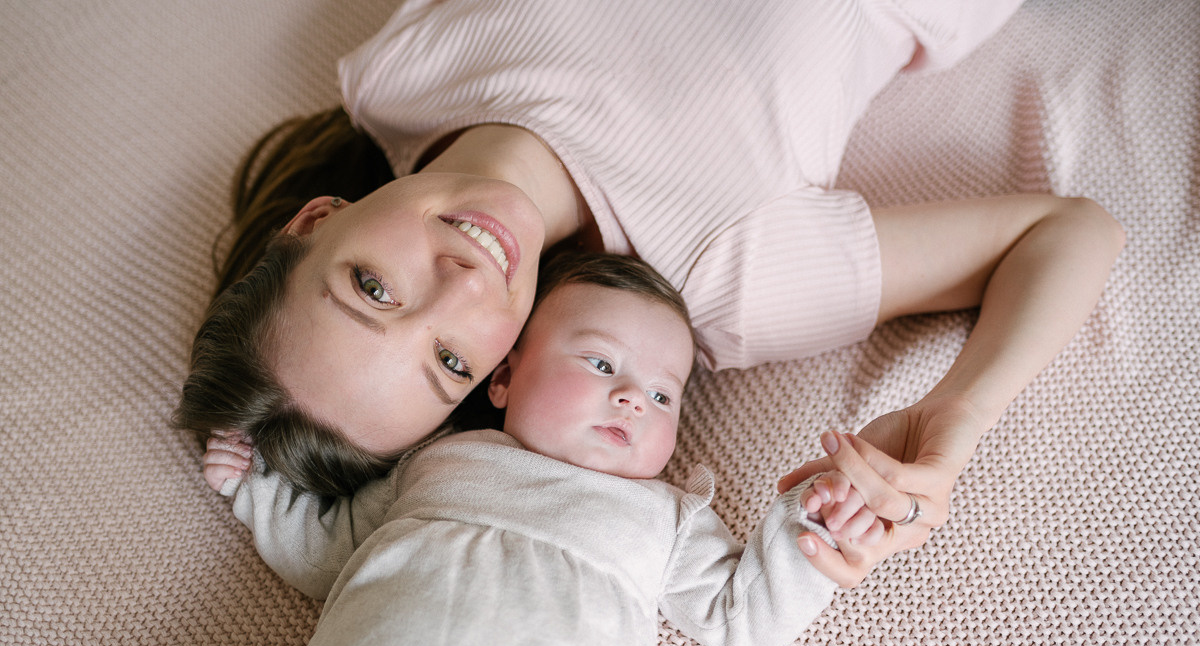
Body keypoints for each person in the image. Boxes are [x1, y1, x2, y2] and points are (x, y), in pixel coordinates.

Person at [174, 0, 1126, 587]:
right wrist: (957, 415)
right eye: (450, 360)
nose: (462, 284)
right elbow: (1071, 233)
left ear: (313, 220)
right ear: (499, 371)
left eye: (372, 286)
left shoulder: (399, 74)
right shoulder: (716, 273)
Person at [157, 252, 883, 646]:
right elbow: (328, 553)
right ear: (502, 379)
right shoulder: (438, 461)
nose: (633, 397)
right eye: (601, 363)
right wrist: (256, 487)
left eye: (665, 394)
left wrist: (809, 524)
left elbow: (743, 618)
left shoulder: (664, 516)